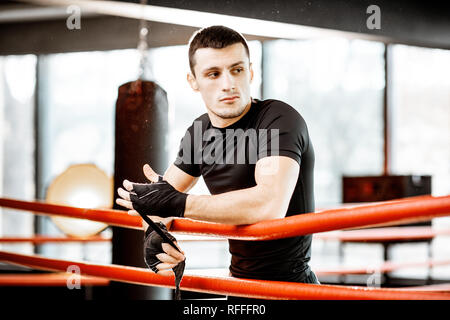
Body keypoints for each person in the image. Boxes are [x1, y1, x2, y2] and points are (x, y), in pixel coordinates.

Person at [116, 25, 319, 293]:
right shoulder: (199, 133)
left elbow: (269, 205)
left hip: (292, 289)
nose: (228, 84)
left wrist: (176, 204)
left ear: (251, 72)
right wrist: (155, 234)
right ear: (193, 81)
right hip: (240, 286)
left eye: (237, 70)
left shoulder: (277, 119)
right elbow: (160, 199)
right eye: (213, 74)